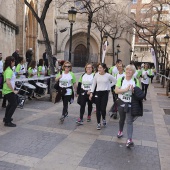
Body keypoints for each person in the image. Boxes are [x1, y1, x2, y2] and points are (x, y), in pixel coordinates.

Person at [115, 64, 140, 148]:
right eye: (127, 70)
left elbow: (139, 94)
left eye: (130, 70)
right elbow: (116, 90)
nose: (128, 71)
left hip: (130, 104)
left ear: (133, 72)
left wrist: (134, 91)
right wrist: (125, 90)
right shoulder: (121, 79)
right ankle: (120, 130)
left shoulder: (136, 81)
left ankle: (129, 139)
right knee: (121, 119)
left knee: (129, 121)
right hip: (121, 102)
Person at [89, 63, 117, 130]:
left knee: (103, 108)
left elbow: (115, 81)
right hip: (98, 92)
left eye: (101, 68)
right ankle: (98, 123)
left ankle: (104, 118)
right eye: (98, 68)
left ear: (104, 68)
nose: (99, 69)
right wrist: (91, 93)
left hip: (105, 93)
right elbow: (93, 84)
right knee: (98, 108)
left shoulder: (108, 75)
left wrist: (108, 86)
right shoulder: (96, 75)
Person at [2, 56, 18, 127]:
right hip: (8, 90)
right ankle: (7, 121)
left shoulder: (8, 69)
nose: (14, 62)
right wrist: (13, 90)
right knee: (14, 104)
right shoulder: (8, 70)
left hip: (8, 90)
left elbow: (10, 81)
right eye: (14, 61)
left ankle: (6, 118)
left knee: (10, 104)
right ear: (11, 62)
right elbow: (8, 82)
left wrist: (14, 86)